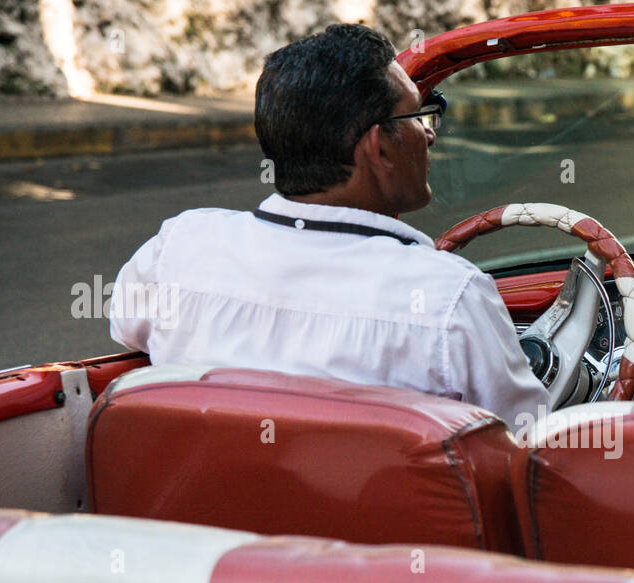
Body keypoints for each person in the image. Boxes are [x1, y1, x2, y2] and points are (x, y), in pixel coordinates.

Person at [109, 24, 550, 426]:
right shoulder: (449, 299)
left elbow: (125, 327)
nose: (429, 134)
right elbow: (528, 440)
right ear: (377, 148)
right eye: (418, 116)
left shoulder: (180, 249)